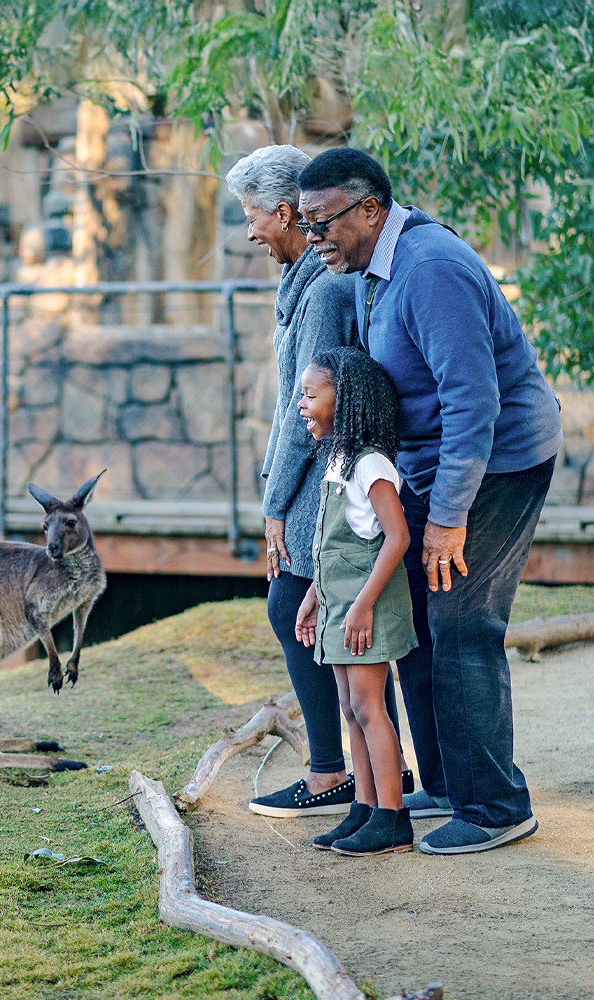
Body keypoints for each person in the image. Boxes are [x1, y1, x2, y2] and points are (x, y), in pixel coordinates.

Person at [293, 147, 563, 855]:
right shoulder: (363, 271)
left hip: (496, 462)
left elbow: (475, 402)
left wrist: (447, 518)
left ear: (370, 209)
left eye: (321, 222)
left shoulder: (429, 270)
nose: (312, 237)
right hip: (425, 461)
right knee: (407, 616)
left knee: (460, 620)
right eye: (305, 222)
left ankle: (497, 805)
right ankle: (445, 781)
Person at [223, 144, 408, 819]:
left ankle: (334, 772)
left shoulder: (323, 289)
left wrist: (274, 506)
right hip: (313, 472)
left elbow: (299, 408)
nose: (249, 232)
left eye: (253, 217)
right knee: (299, 609)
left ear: (283, 211)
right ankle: (363, 771)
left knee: (293, 607)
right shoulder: (303, 280)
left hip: (321, 472)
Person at [292, 347, 419, 855]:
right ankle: (364, 809)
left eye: (310, 394)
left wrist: (363, 604)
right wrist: (313, 597)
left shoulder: (372, 465)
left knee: (370, 707)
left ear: (343, 401)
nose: (301, 404)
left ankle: (393, 815)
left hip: (365, 608)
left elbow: (397, 537)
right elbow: (330, 544)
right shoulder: (340, 458)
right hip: (340, 605)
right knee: (351, 707)